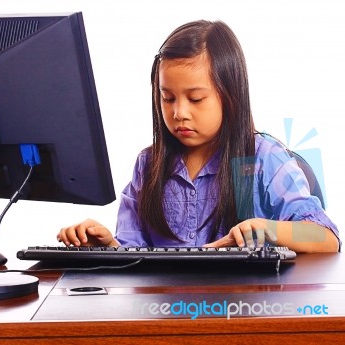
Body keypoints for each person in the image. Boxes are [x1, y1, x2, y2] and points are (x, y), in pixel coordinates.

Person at [57, 20, 340, 252]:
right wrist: (107, 245)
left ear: (229, 96)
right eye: (167, 98)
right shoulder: (149, 165)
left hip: (242, 309)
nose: (179, 112)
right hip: (165, 312)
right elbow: (133, 254)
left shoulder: (263, 159)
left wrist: (269, 229)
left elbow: (326, 238)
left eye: (195, 99)